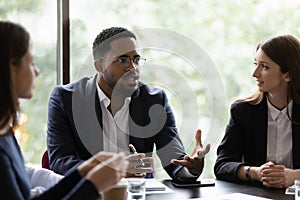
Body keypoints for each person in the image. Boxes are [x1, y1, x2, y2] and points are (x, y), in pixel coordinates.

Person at [47, 26, 210, 183]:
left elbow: (175, 161)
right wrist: (114, 170)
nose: (133, 68)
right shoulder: (66, 99)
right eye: (122, 60)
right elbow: (60, 162)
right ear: (99, 66)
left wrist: (191, 168)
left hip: (139, 194)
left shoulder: (154, 100)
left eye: (136, 59)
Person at [0, 20, 129, 199]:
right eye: (31, 62)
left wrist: (81, 174)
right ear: (10, 68)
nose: (36, 71)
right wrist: (92, 185)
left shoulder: (5, 132)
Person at [214, 34, 300, 189]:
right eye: (256, 64)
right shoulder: (243, 111)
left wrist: (293, 176)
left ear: (287, 74)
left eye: (265, 67)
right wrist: (255, 172)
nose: (255, 73)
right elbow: (222, 165)